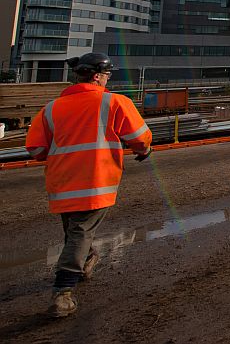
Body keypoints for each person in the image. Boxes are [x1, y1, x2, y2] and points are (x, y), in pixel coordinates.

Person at [25, 52, 152, 318]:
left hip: (61, 182)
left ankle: (84, 261)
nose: (107, 79)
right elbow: (139, 136)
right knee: (81, 231)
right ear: (97, 76)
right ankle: (63, 290)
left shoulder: (52, 108)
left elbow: (36, 148)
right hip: (95, 180)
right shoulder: (113, 102)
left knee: (74, 230)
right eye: (107, 75)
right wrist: (143, 150)